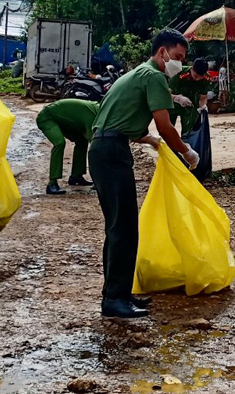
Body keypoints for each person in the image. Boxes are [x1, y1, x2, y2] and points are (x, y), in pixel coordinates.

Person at [89, 28, 201, 319]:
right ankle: (114, 300)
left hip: (106, 148)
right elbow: (164, 125)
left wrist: (148, 140)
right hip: (111, 152)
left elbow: (122, 118)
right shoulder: (153, 76)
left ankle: (120, 293)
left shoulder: (139, 73)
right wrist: (186, 151)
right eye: (177, 57)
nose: (179, 64)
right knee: (123, 228)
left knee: (118, 227)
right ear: (162, 52)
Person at [37, 98, 99, 195]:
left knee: (82, 141)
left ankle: (76, 176)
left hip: (63, 120)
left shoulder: (97, 111)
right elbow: (95, 143)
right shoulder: (92, 115)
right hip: (47, 118)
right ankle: (52, 184)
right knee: (59, 143)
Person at [168, 58, 211, 134]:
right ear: (191, 69)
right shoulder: (179, 73)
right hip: (172, 104)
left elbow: (203, 97)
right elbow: (166, 93)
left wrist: (203, 106)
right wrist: (177, 98)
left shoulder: (206, 78)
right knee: (168, 130)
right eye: (196, 76)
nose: (197, 79)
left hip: (190, 105)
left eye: (200, 77)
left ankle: (186, 144)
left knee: (189, 131)